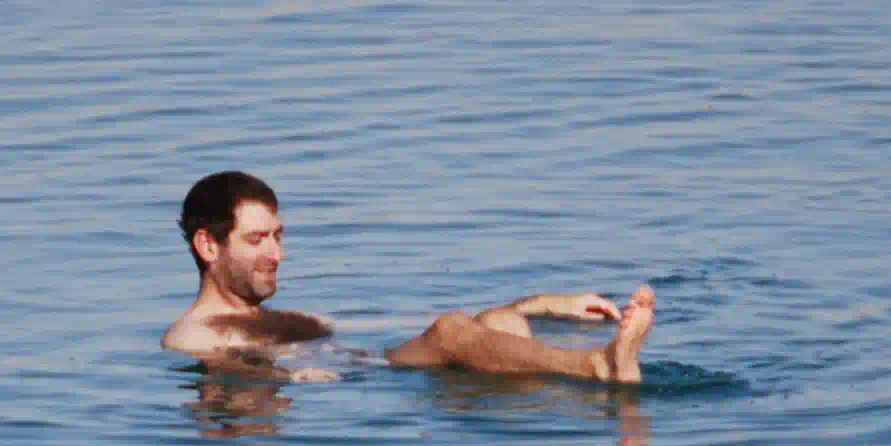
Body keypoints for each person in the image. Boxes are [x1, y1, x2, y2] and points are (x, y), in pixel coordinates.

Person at [160, 170, 655, 382]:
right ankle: (596, 366)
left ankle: (576, 382)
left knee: (499, 322)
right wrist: (290, 374)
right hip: (374, 382)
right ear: (208, 245)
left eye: (278, 236)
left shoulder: (285, 318)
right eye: (256, 240)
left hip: (378, 366)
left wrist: (541, 304)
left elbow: (387, 325)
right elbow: (236, 377)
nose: (278, 254)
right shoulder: (192, 336)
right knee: (450, 332)